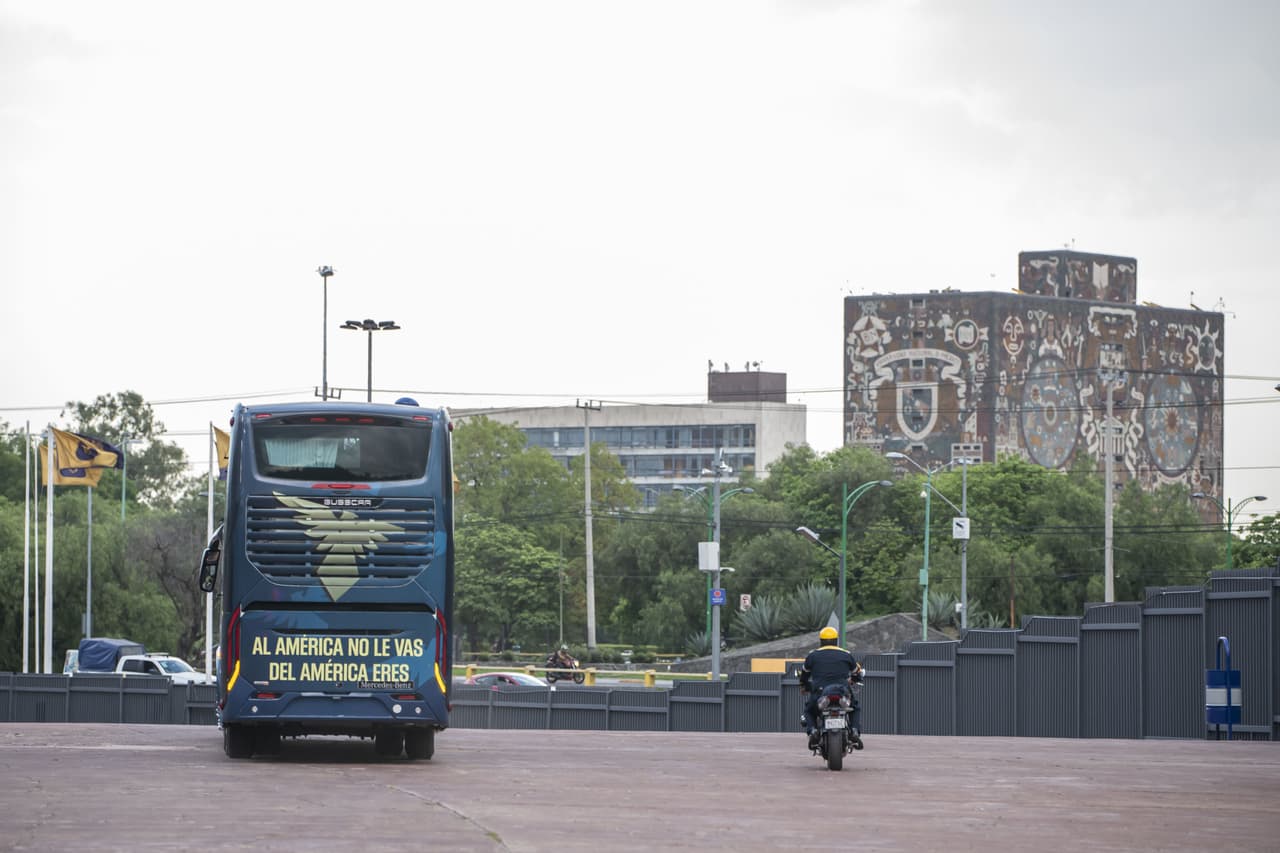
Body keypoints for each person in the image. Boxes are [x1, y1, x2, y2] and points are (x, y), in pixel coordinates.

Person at [799, 626, 864, 749]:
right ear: (836, 640)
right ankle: (855, 731)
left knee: (809, 710)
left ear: (821, 641)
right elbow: (857, 673)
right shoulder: (846, 654)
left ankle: (812, 731)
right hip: (842, 692)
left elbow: (804, 676)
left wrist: (803, 686)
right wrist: (853, 680)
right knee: (855, 708)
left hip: (820, 693)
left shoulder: (813, 656)